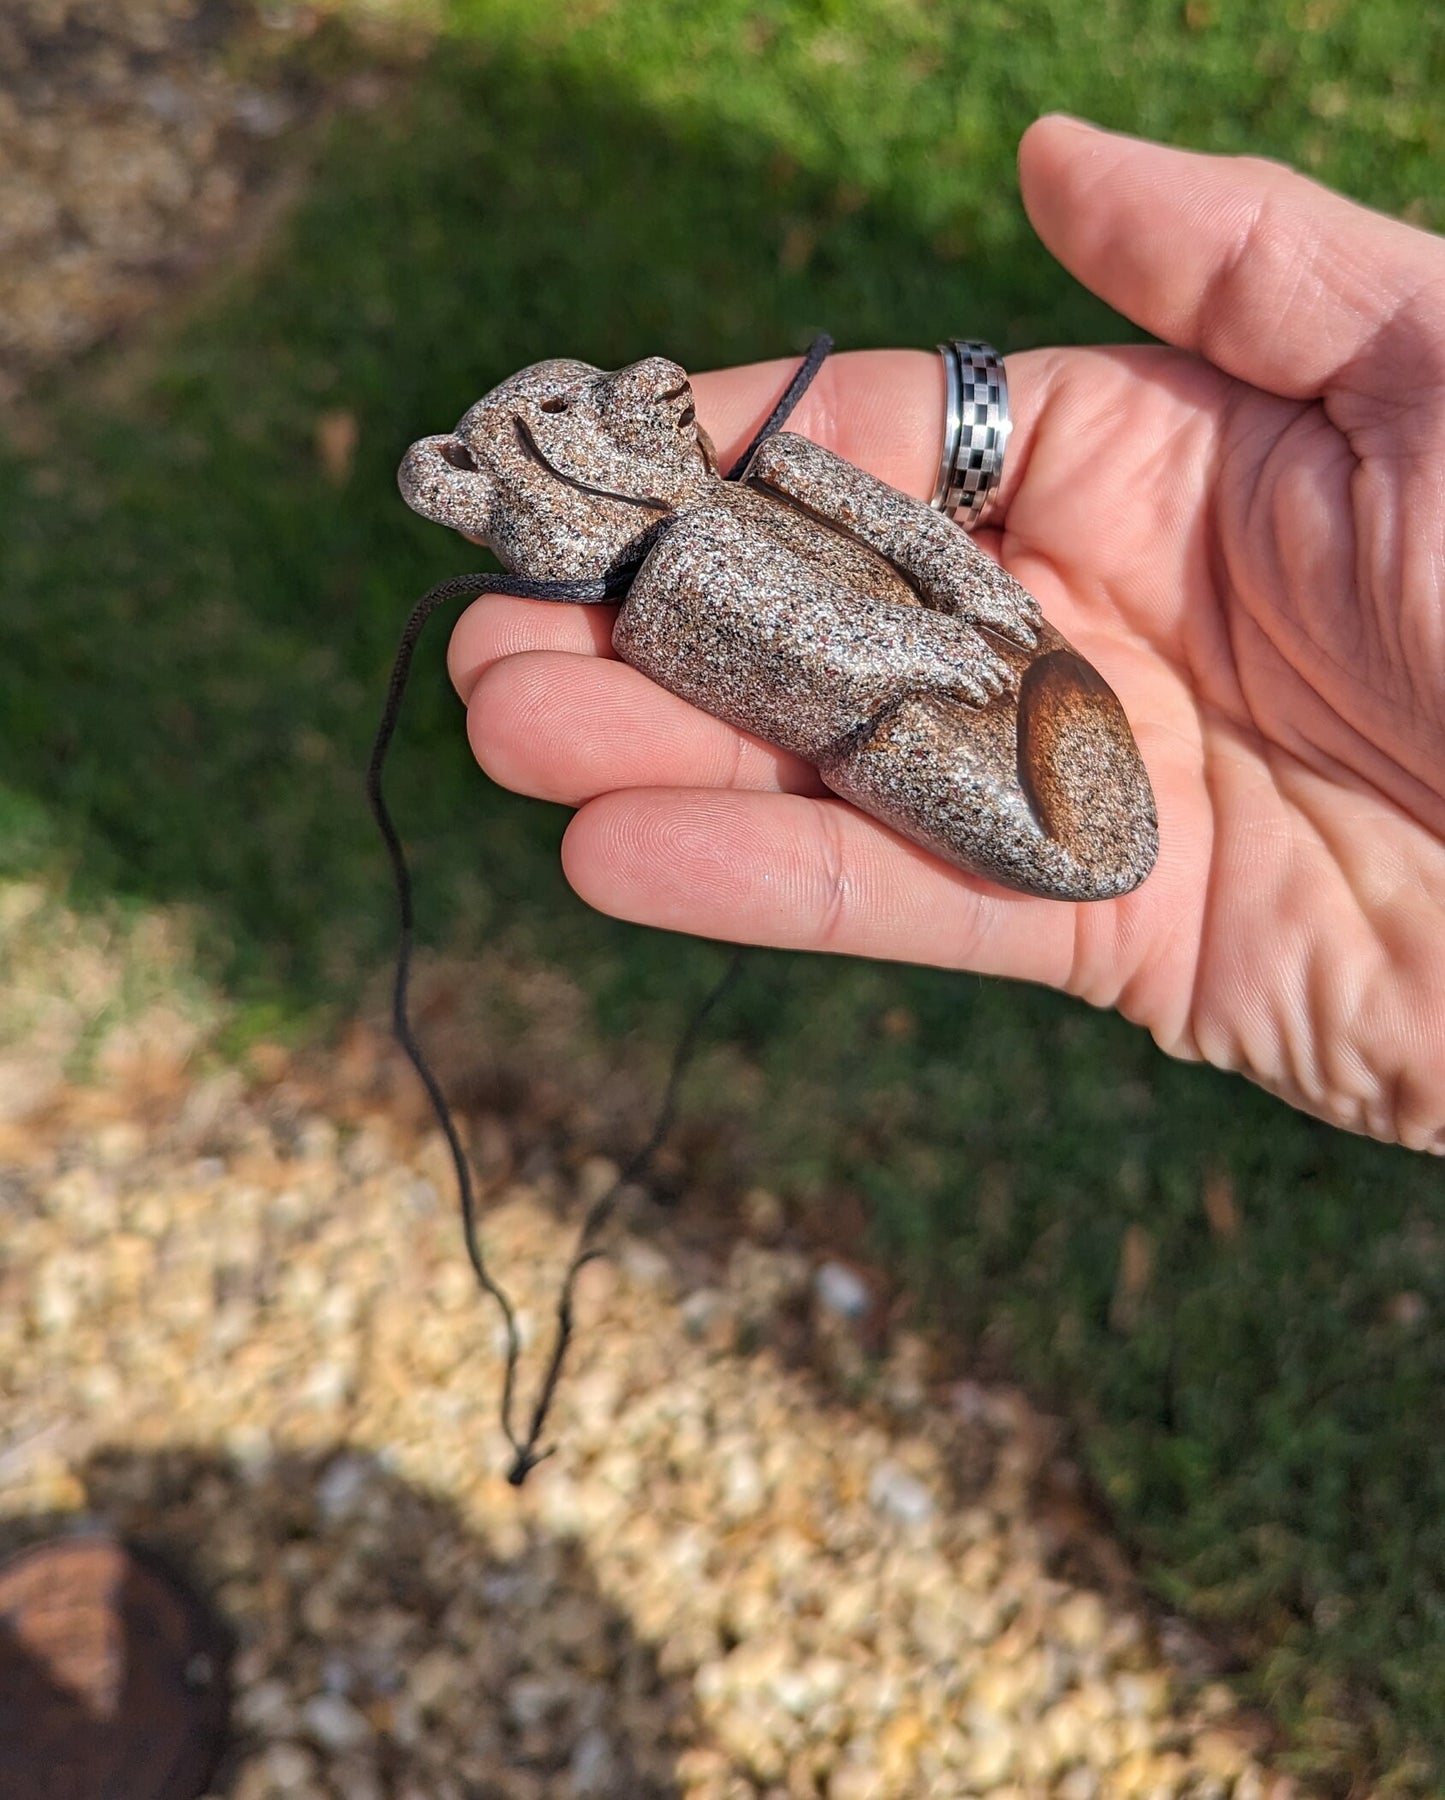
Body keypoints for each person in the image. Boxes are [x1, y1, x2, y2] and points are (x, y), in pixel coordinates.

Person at [447, 117, 1445, 1154]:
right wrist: (920, 647)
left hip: (996, 670)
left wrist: (969, 587)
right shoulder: (678, 582)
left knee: (829, 529)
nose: (641, 392)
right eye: (573, 412)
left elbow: (914, 532)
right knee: (759, 611)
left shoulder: (766, 478)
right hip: (928, 716)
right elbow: (821, 649)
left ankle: (1013, 705)